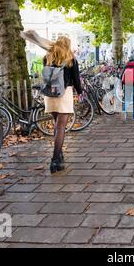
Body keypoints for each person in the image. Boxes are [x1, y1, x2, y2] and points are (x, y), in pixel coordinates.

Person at [42, 36, 83, 174]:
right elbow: (76, 80)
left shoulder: (47, 58)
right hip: (64, 94)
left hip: (49, 95)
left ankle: (60, 156)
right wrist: (80, 92)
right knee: (61, 127)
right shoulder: (71, 59)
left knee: (56, 124)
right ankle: (55, 160)